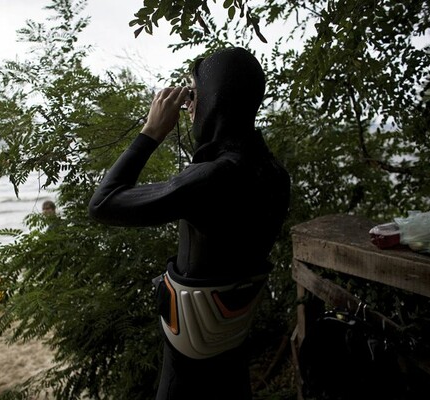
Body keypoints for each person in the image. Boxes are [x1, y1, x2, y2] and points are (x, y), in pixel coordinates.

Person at [88, 47, 291, 400]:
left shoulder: (213, 178)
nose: (187, 105)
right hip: (232, 351)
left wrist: (150, 132)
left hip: (188, 368)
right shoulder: (274, 174)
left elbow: (103, 204)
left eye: (193, 94)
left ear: (215, 99)